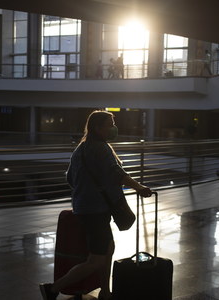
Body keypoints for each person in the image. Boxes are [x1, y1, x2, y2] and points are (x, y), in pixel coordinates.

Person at [40, 110, 153, 300]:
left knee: (108, 249)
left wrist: (86, 190)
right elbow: (116, 173)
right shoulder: (101, 148)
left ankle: (105, 291)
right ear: (97, 127)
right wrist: (139, 187)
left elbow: (70, 178)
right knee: (96, 259)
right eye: (110, 124)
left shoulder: (80, 149)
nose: (114, 128)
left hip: (85, 208)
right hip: (95, 211)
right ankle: (52, 289)